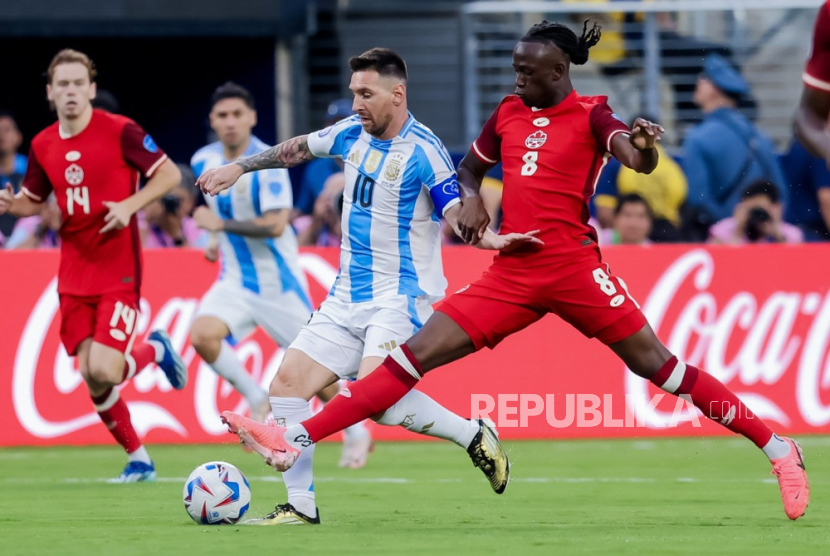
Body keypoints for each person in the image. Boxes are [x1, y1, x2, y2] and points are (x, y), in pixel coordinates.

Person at [219, 22, 810, 522]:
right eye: (515, 69)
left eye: (528, 71)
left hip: (575, 268)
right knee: (406, 360)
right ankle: (294, 438)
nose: (518, 79)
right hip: (514, 272)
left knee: (662, 367)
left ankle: (778, 447)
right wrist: (473, 199)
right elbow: (469, 172)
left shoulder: (593, 113)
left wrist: (645, 146)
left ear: (559, 71)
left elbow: (636, 158)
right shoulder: (506, 112)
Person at [199, 48, 539, 525]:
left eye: (366, 93)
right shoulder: (349, 133)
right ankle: (301, 508)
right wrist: (241, 167)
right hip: (345, 297)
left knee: (378, 399)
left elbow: (454, 211)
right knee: (287, 384)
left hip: (399, 298)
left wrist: (490, 239)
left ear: (397, 94)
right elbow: (298, 148)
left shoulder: (423, 151)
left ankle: (472, 434)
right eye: (354, 92)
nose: (356, 103)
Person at [0, 49, 187, 482]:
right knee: (92, 376)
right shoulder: (43, 143)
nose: (70, 91)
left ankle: (155, 349)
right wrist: (15, 204)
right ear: (50, 92)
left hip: (117, 268)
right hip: (72, 271)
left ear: (91, 89)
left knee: (104, 367)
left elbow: (168, 176)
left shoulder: (121, 131)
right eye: (61, 84)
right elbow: (34, 198)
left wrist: (130, 205)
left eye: (77, 83)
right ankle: (139, 458)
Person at [188, 82, 373, 469]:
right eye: (222, 115)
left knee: (317, 376)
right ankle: (256, 398)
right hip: (234, 280)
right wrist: (212, 239)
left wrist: (219, 227)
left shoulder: (265, 165)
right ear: (211, 121)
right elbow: (213, 216)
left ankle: (357, 431)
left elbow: (274, 226)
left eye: (238, 114)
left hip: (278, 285)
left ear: (253, 117)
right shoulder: (202, 159)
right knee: (202, 334)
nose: (230, 122)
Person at [682, 54, 787, 225]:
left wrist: (732, 228)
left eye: (704, 78)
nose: (698, 83)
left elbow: (698, 199)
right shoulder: (760, 136)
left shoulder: (697, 137)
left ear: (714, 89)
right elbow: (780, 194)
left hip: (720, 240)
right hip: (761, 236)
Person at [593, 116, 686, 242]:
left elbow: (604, 212)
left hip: (627, 235)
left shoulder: (615, 165)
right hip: (668, 233)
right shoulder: (676, 164)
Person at [293, 99, 353, 218]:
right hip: (326, 232)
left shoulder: (369, 160)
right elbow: (302, 211)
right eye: (332, 124)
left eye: (342, 123)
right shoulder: (316, 168)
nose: (337, 130)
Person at [708, 180, 803, 245]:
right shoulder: (723, 230)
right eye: (751, 209)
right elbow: (716, 261)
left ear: (776, 207)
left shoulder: (791, 234)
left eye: (760, 208)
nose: (756, 214)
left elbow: (793, 264)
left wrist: (777, 234)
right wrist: (738, 231)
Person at [782, 138, 830, 241]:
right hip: (813, 233)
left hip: (794, 230)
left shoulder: (803, 140)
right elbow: (826, 197)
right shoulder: (823, 144)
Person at [0, 111, 27, 238]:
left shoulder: (30, 168)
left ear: (18, 137)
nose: (1, 135)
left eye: (6, 130)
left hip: (26, 233)